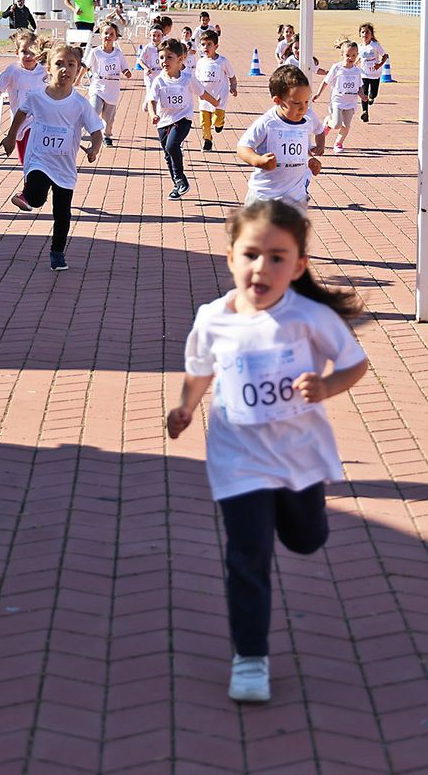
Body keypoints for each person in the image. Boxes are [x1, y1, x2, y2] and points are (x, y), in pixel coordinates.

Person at [167, 200, 369, 704]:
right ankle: (250, 658)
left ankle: (298, 514)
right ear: (231, 256)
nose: (263, 267)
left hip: (297, 456)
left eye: (278, 257)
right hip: (238, 459)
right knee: (247, 556)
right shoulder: (212, 317)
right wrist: (185, 407)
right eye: (252, 254)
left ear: (298, 265)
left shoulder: (309, 317)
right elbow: (201, 369)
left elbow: (354, 364)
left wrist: (325, 387)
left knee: (305, 539)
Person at [1, 43, 104, 271]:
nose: (65, 69)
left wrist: (95, 148)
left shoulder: (80, 104)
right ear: (48, 67)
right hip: (38, 158)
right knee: (37, 196)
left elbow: (97, 131)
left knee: (62, 213)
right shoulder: (37, 97)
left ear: (78, 70)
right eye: (59, 64)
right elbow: (21, 112)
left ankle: (57, 253)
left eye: (71, 65)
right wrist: (10, 138)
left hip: (64, 167)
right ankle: (27, 195)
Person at [237, 64, 326, 210]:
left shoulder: (308, 117)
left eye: (306, 101)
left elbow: (317, 133)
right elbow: (243, 147)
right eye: (296, 103)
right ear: (277, 101)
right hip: (264, 197)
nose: (303, 108)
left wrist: (312, 158)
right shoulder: (268, 122)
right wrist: (258, 160)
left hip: (295, 197)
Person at [146, 37, 218, 199]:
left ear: (180, 59)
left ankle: (181, 178)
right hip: (163, 121)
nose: (164, 61)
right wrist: (153, 114)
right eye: (162, 57)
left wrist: (216, 103)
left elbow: (202, 93)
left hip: (182, 119)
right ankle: (177, 185)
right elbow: (151, 101)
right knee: (167, 154)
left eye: (169, 57)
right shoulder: (159, 81)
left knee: (172, 146)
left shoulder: (187, 79)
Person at [0, 30, 47, 182]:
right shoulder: (13, 71)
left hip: (40, 121)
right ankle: (30, 185)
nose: (28, 56)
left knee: (38, 154)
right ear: (17, 52)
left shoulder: (44, 71)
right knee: (25, 160)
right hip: (20, 123)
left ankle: (36, 184)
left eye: (31, 52)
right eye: (24, 52)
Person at [83, 22, 129, 147]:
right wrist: (77, 79)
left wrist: (126, 72)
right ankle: (90, 131)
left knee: (109, 117)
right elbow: (86, 66)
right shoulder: (95, 52)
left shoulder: (118, 53)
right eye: (106, 33)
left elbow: (124, 66)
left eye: (112, 34)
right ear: (100, 35)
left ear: (116, 37)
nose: (108, 36)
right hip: (98, 86)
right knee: (94, 109)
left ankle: (107, 135)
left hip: (112, 88)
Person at [313, 41, 364, 154]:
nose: (350, 58)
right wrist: (318, 94)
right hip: (337, 101)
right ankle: (327, 122)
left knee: (346, 125)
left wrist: (362, 95)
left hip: (350, 102)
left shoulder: (357, 71)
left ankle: (338, 143)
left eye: (354, 55)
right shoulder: (337, 68)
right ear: (342, 54)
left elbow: (359, 86)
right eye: (347, 55)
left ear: (357, 55)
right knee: (336, 124)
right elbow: (326, 81)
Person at [194, 30, 238, 152]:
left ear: (216, 46)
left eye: (209, 44)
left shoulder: (222, 61)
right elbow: (196, 79)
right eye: (203, 44)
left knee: (216, 121)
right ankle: (207, 140)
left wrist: (233, 87)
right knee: (204, 122)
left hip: (219, 98)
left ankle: (220, 124)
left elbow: (232, 76)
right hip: (204, 98)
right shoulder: (200, 62)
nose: (205, 47)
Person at [357, 22, 388, 121]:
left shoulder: (375, 45)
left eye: (367, 32)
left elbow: (385, 56)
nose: (365, 34)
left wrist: (379, 64)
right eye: (363, 32)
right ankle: (365, 112)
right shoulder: (359, 47)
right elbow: (358, 59)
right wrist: (352, 66)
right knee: (364, 93)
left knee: (373, 93)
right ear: (360, 34)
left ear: (371, 35)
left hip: (375, 74)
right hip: (364, 74)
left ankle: (372, 98)